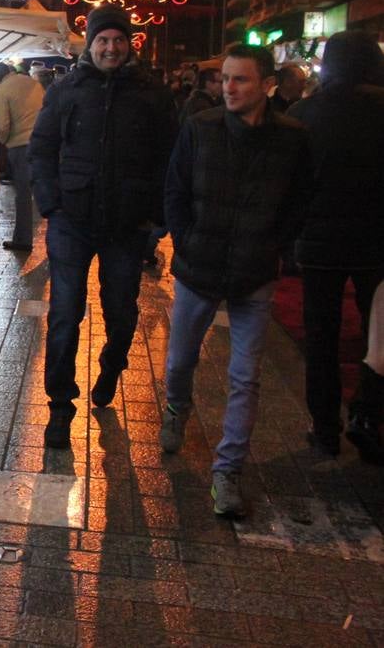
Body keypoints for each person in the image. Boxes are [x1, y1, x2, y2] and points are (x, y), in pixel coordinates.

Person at [159, 46, 311, 517]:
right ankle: (176, 407)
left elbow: (300, 202)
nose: (229, 87)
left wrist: (275, 245)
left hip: (254, 272)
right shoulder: (200, 129)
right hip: (199, 267)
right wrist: (186, 240)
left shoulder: (292, 139)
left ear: (267, 85)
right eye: (225, 78)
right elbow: (175, 190)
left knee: (245, 377)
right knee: (181, 359)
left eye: (241, 80)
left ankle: (228, 471)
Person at [30, 6, 176, 448]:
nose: (110, 47)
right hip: (71, 220)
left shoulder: (152, 94)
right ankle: (60, 405)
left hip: (127, 225)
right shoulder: (67, 90)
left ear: (129, 44)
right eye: (102, 40)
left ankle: (113, 366)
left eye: (118, 40)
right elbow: (42, 147)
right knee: (64, 314)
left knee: (121, 310)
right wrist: (51, 203)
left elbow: (170, 157)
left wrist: (157, 217)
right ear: (90, 45)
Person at [289, 30, 384, 462]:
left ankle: (325, 427)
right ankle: (367, 413)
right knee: (377, 336)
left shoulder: (305, 113)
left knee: (322, 338)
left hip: (319, 245)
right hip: (375, 246)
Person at [0, 61, 44, 251]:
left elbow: (2, 126)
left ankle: (23, 239)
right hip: (42, 142)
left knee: (23, 194)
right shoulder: (32, 83)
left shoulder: (1, 91)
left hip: (21, 145)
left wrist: (3, 141)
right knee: (43, 191)